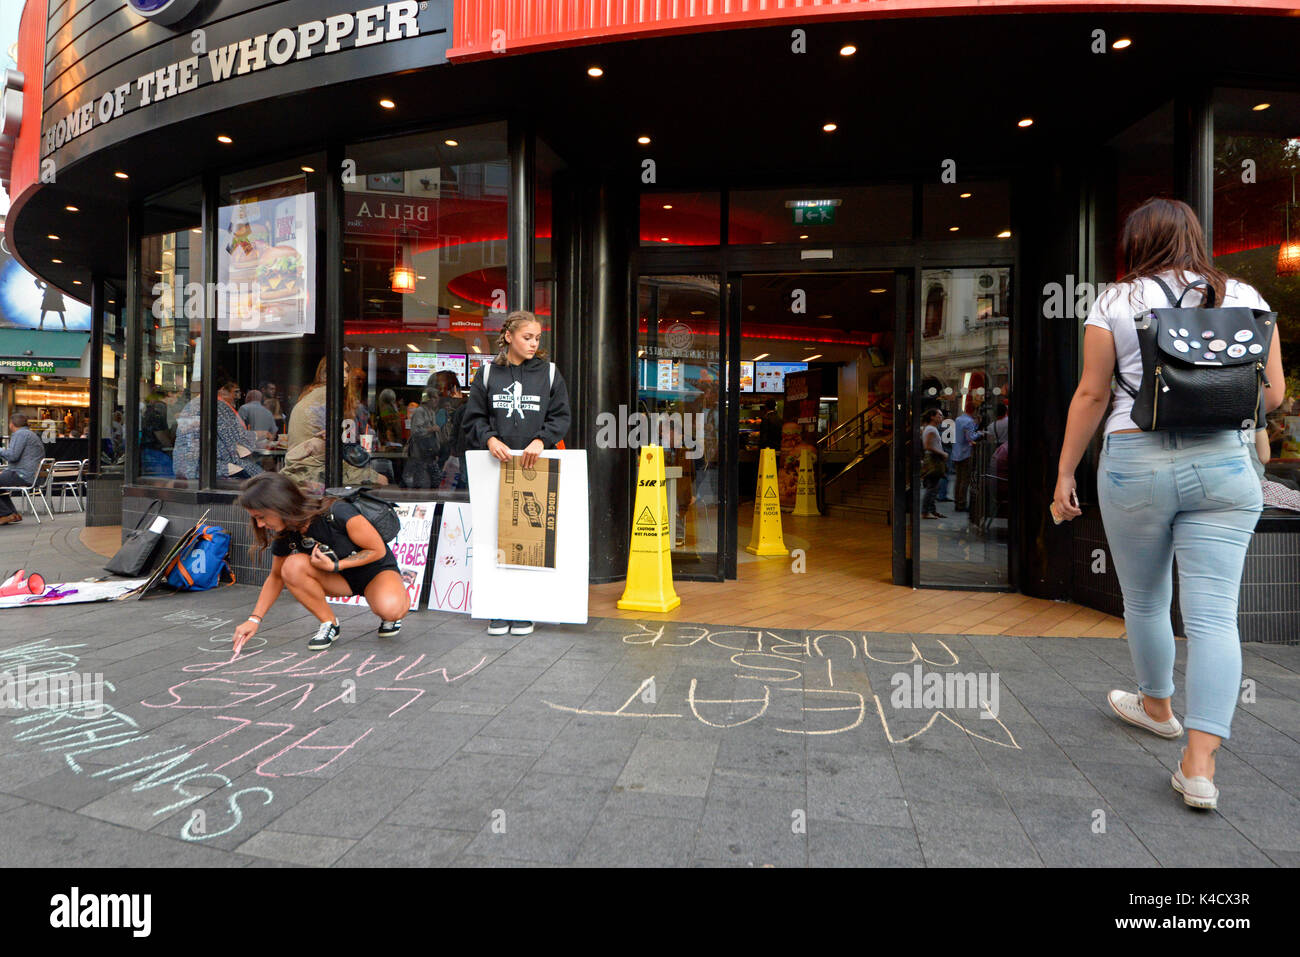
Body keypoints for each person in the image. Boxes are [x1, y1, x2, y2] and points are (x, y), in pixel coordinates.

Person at [1053, 197, 1286, 812]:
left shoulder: (1116, 301)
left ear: (1137, 244)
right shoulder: (1246, 296)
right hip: (1225, 467)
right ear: (1195, 238)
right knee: (1214, 618)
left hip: (1136, 462)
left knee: (1147, 597)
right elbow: (1277, 392)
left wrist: (1064, 472)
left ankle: (1157, 706)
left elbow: (1092, 394)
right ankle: (1200, 764)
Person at [462, 310, 571, 637]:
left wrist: (542, 440)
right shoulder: (486, 374)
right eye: (527, 337)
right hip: (495, 468)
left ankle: (525, 607)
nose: (533, 343)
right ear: (508, 336)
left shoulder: (550, 373)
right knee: (495, 538)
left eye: (537, 338)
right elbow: (473, 419)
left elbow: (561, 416)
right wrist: (489, 438)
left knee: (529, 539)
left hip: (533, 469)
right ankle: (498, 606)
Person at [232, 473, 409, 653]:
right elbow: (276, 577)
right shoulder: (287, 532)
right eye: (255, 519)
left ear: (279, 506)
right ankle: (329, 623)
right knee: (291, 566)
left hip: (375, 572)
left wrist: (337, 566)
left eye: (261, 517)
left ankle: (394, 597)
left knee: (390, 610)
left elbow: (376, 550)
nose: (260, 525)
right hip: (339, 580)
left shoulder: (336, 512)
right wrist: (254, 619)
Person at [284, 357, 388, 489]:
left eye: (346, 370)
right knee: (382, 480)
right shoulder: (328, 396)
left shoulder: (313, 394)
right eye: (340, 371)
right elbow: (334, 444)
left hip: (304, 468)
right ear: (324, 374)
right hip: (315, 469)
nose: (345, 375)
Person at [173, 377, 264, 481]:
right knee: (261, 479)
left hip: (185, 468)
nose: (238, 397)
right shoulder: (218, 406)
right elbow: (236, 440)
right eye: (235, 393)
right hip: (213, 468)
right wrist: (258, 436)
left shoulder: (191, 405)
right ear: (222, 390)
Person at [0, 414, 46, 525]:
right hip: (31, 475)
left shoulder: (20, 434)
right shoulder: (31, 434)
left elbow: (13, 456)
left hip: (23, 475)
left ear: (12, 424)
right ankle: (12, 514)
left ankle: (5, 514)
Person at [952, 400, 981, 512]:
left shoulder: (958, 419)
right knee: (965, 480)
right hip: (966, 453)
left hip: (957, 452)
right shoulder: (969, 422)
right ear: (974, 411)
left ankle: (957, 501)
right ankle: (961, 503)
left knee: (958, 479)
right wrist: (980, 433)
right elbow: (970, 437)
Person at [920, 408, 947, 519]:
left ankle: (932, 510)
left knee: (934, 486)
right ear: (932, 417)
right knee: (932, 487)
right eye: (939, 415)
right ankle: (926, 512)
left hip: (933, 459)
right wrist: (943, 453)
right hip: (933, 459)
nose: (941, 417)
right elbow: (927, 446)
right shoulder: (931, 429)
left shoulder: (930, 428)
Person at [140, 391, 175, 477]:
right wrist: (171, 445)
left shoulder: (149, 411)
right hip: (156, 451)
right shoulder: (158, 410)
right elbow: (160, 435)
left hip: (149, 450)